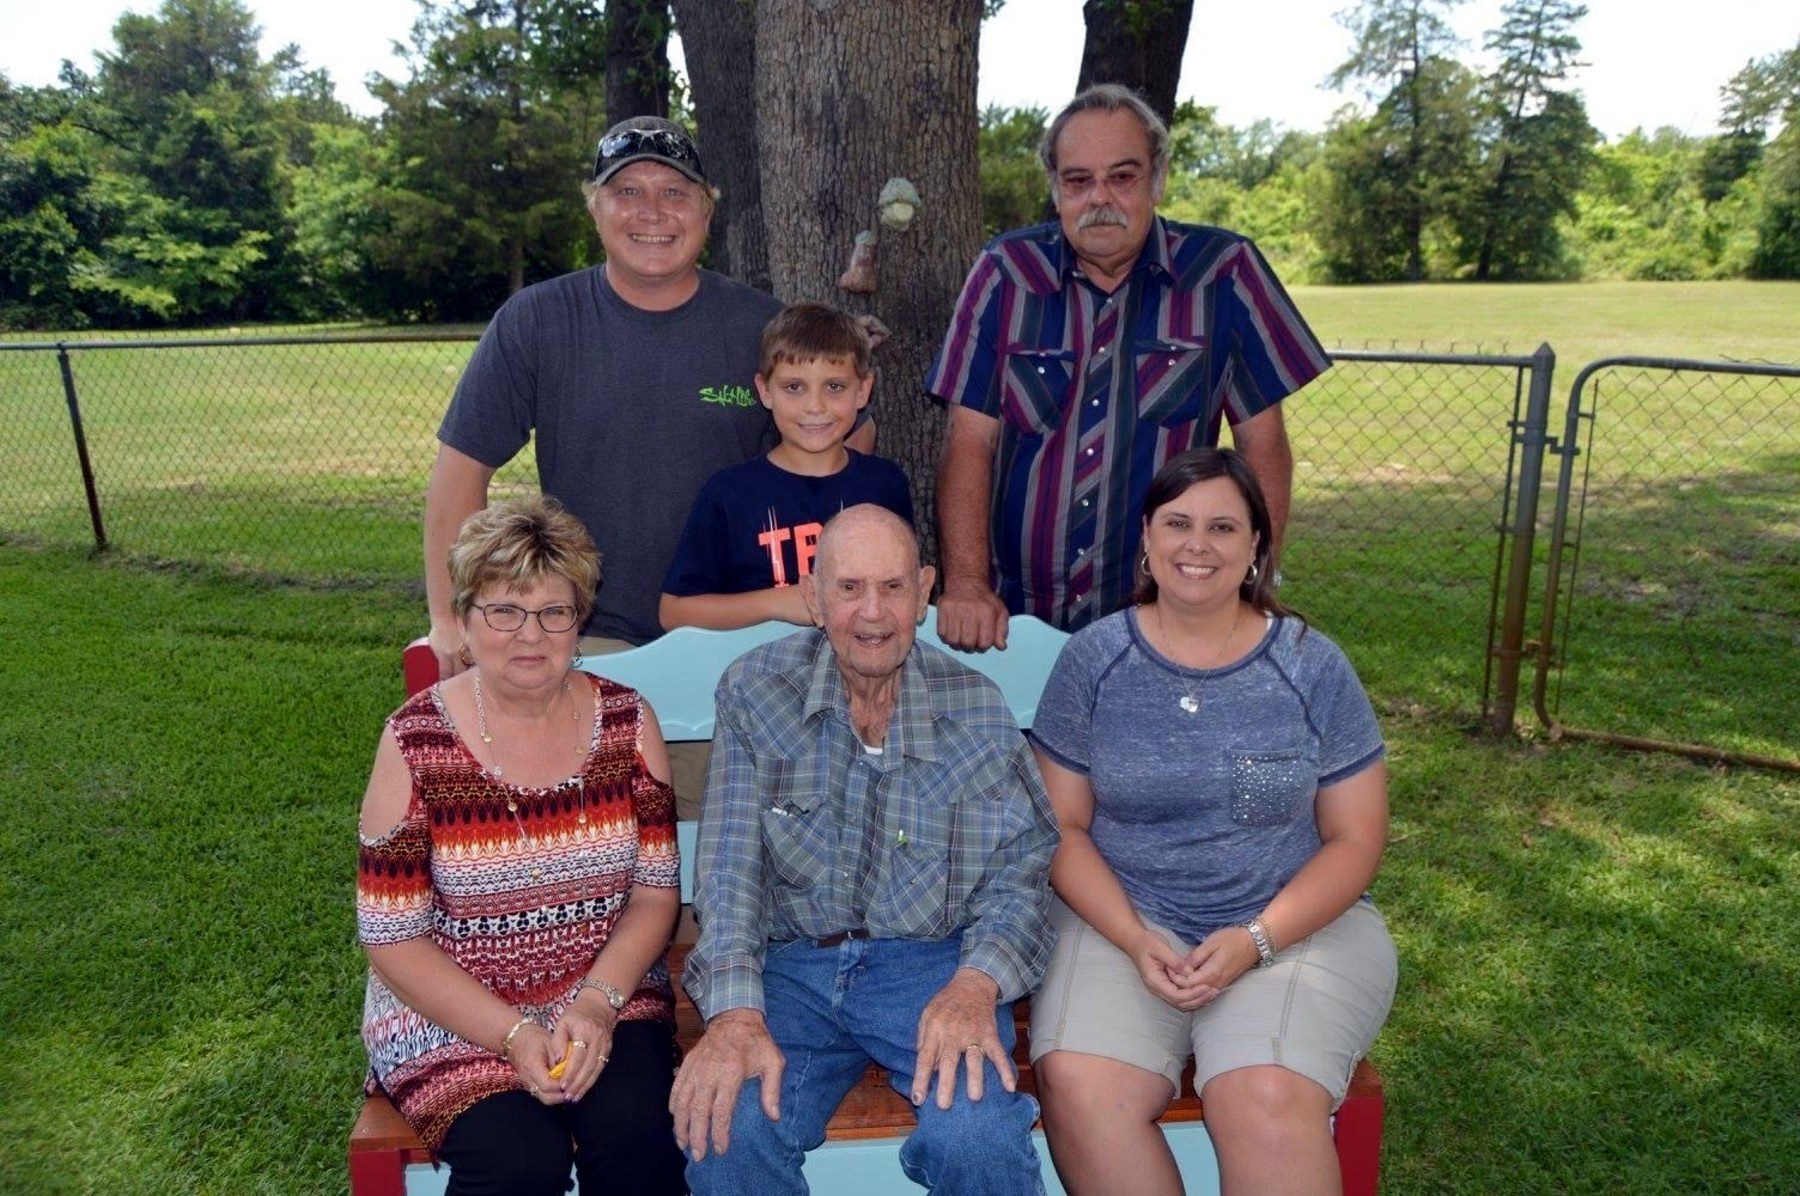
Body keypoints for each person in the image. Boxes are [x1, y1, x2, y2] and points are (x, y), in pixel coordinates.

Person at [423, 115, 873, 817]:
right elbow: (461, 470)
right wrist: (449, 616)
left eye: (675, 192)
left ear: (707, 210)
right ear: (594, 207)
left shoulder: (761, 326)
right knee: (590, 829)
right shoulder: (537, 321)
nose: (652, 213)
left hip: (738, 631)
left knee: (722, 830)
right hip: (586, 631)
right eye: (627, 191)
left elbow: (851, 443)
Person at [1024, 448, 1397, 1196]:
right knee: (1080, 1084)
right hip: (1122, 919)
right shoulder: (1095, 661)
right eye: (1178, 523)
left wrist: (1256, 938)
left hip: (1295, 926)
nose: (1198, 545)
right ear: (1146, 537)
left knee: (1263, 1095)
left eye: (1223, 527)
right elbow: (1061, 826)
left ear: (1256, 544)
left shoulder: (1312, 667)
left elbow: (1356, 838)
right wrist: (1136, 937)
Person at [670, 504, 1059, 1195]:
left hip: (932, 967)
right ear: (814, 599)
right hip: (792, 966)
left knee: (977, 1138)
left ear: (925, 591)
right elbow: (730, 873)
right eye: (849, 588)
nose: (872, 612)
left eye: (893, 587)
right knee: (728, 1132)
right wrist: (734, 1013)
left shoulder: (975, 709)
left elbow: (1020, 877)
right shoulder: (757, 692)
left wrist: (976, 984)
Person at [357, 496, 686, 1195]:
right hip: (452, 1012)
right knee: (517, 1160)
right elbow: (392, 939)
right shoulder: (416, 743)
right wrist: (511, 1034)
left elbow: (654, 894)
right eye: (504, 611)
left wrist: (596, 1003)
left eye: (553, 612)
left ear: (579, 619)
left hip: (606, 989)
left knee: (638, 1133)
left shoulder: (628, 724)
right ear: (466, 620)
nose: (530, 634)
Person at [927, 83, 1330, 652]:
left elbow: (1262, 446)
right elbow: (969, 442)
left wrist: (1250, 587)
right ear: (1055, 188)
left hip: (1166, 621)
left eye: (1122, 176)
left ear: (1157, 180)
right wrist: (967, 583)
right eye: (1078, 180)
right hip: (1015, 625)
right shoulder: (1005, 274)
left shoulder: (1225, 275)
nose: (1100, 197)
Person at [660, 302, 914, 632]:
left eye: (834, 387)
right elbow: (674, 612)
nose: (815, 406)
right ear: (765, 391)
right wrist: (778, 603)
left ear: (863, 390)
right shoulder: (729, 494)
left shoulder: (885, 485)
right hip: (757, 663)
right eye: (794, 387)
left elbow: (903, 591)